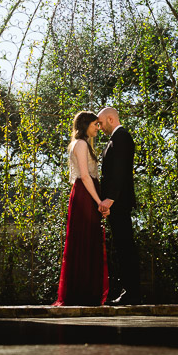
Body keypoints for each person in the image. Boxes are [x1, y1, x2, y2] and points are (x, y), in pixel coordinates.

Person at [53, 111, 109, 306]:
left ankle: (84, 291)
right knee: (85, 240)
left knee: (86, 240)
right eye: (95, 124)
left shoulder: (80, 144)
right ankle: (83, 293)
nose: (98, 127)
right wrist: (99, 201)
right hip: (86, 195)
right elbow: (85, 176)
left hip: (85, 194)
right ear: (86, 125)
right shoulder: (82, 144)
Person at [97, 107, 141, 305]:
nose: (100, 127)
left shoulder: (122, 137)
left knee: (125, 246)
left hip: (119, 202)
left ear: (110, 118)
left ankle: (132, 293)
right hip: (116, 203)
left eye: (101, 123)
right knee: (122, 247)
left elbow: (120, 171)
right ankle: (130, 291)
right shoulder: (115, 138)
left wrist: (110, 199)